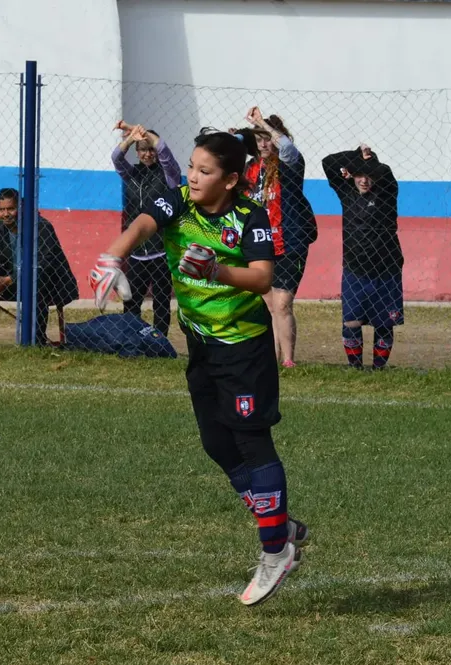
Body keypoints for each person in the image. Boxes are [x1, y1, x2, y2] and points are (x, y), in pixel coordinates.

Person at [89, 128, 309, 606]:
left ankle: (275, 550)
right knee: (215, 442)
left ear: (231, 180)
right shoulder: (181, 200)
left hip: (244, 349)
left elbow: (262, 278)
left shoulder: (251, 217)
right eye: (190, 166)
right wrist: (114, 256)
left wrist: (216, 271)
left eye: (204, 171)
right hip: (201, 346)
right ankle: (281, 525)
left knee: (252, 441)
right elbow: (145, 222)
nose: (192, 176)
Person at [239, 107, 317, 368]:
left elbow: (287, 148)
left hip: (289, 242)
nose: (263, 142)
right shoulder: (250, 169)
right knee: (271, 306)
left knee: (283, 303)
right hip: (261, 244)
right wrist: (236, 140)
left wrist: (262, 123)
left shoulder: (288, 164)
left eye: (266, 137)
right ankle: (272, 359)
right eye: (258, 138)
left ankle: (289, 359)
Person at [322, 144, 404, 370]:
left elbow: (385, 173)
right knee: (351, 321)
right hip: (355, 269)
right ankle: (355, 366)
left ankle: (379, 368)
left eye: (370, 175)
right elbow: (328, 162)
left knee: (384, 322)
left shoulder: (387, 192)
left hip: (387, 268)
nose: (364, 180)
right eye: (360, 175)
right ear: (351, 174)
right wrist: (355, 154)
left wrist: (370, 162)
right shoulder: (346, 192)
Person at [0, 188, 78, 349]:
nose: (6, 214)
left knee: (36, 281)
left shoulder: (41, 227)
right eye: (1, 210)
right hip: (12, 283)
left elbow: (45, 264)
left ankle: (36, 341)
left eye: (10, 209)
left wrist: (9, 279)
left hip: (49, 285)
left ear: (20, 208)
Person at [111, 121, 181, 335]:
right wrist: (132, 137)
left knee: (161, 301)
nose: (148, 154)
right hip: (137, 252)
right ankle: (132, 338)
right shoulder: (131, 174)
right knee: (131, 301)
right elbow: (116, 157)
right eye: (142, 150)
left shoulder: (168, 174)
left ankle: (160, 340)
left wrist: (148, 136)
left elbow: (166, 154)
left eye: (150, 149)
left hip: (161, 250)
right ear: (137, 153)